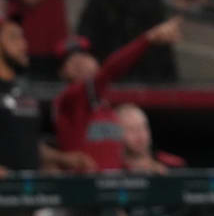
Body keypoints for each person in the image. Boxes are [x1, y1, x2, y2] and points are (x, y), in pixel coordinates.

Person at [53, 18, 181, 170]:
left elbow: (109, 158)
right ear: (61, 73)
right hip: (83, 188)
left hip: (111, 188)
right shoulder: (69, 99)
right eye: (69, 60)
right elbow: (110, 71)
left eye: (84, 55)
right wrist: (147, 39)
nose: (80, 62)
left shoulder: (104, 106)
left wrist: (141, 169)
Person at [0, 19, 95, 174]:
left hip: (29, 191)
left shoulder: (25, 92)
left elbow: (30, 144)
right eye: (14, 37)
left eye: (23, 38)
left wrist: (62, 158)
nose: (23, 44)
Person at [115, 103, 186, 173]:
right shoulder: (113, 170)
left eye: (143, 127)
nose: (140, 135)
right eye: (130, 129)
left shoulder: (172, 166)